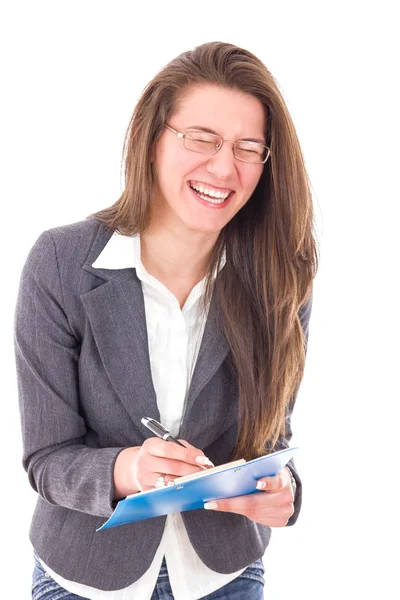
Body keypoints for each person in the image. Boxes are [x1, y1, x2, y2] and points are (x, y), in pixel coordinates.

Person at [14, 41, 317, 600]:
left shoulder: (281, 276)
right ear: (152, 140)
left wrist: (283, 490)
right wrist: (127, 470)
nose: (224, 167)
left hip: (224, 575)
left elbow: (274, 436)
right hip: (84, 576)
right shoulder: (62, 264)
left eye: (249, 148)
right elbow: (46, 459)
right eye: (202, 139)